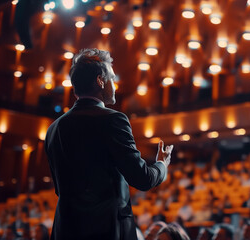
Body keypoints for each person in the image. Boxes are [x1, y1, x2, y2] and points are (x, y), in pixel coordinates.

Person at [44, 48, 173, 240]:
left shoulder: (53, 129)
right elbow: (142, 178)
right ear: (100, 80)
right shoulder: (113, 120)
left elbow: (59, 189)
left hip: (66, 230)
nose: (115, 85)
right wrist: (162, 164)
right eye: (112, 78)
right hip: (105, 230)